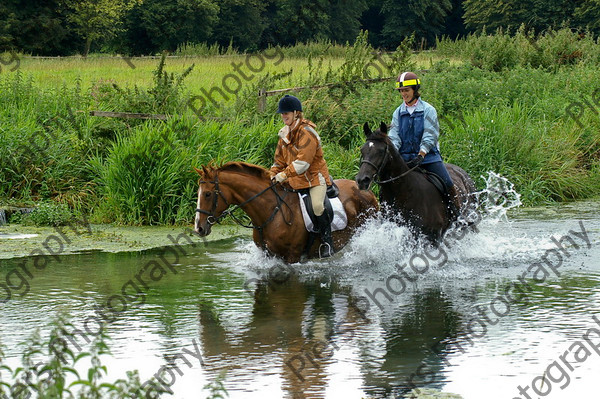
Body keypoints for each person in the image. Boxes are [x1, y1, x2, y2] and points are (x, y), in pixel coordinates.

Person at [388, 71, 461, 218]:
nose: (404, 94)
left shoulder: (428, 110)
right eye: (401, 91)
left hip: (428, 158)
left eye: (406, 90)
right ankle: (387, 216)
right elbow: (394, 137)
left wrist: (421, 154)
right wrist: (394, 154)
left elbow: (430, 134)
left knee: (447, 183)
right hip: (405, 159)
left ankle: (456, 214)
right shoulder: (398, 113)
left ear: (415, 90)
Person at [270, 94, 335, 257]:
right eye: (282, 113)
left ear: (296, 113)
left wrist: (283, 175)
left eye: (287, 113)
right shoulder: (284, 135)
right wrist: (271, 175)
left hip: (314, 179)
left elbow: (303, 164)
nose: (284, 116)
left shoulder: (307, 133)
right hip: (294, 181)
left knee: (318, 206)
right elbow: (278, 162)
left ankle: (327, 242)